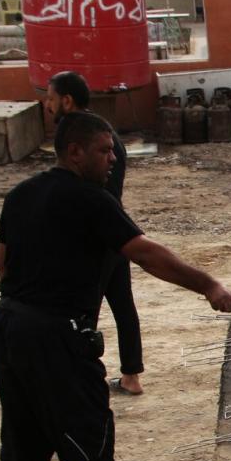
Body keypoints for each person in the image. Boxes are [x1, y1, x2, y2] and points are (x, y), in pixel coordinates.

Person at [0, 111, 231, 461]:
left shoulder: (21, 194)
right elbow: (146, 253)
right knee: (89, 429)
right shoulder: (92, 200)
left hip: (7, 323)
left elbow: (1, 262)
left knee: (23, 426)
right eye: (104, 151)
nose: (112, 160)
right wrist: (209, 286)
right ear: (74, 151)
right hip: (56, 332)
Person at [46, 71, 145, 395]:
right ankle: (131, 374)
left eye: (50, 98)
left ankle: (80, 375)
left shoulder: (78, 135)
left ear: (66, 100)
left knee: (83, 307)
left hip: (95, 233)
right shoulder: (103, 129)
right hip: (113, 227)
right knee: (122, 304)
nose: (48, 106)